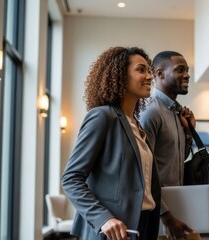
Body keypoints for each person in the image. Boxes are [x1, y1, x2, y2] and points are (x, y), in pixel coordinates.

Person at [62, 47, 161, 240]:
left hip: (144, 224)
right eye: (141, 70)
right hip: (112, 230)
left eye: (149, 71)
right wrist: (103, 219)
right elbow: (71, 179)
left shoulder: (138, 127)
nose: (150, 76)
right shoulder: (102, 116)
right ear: (120, 75)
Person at [140, 51, 197, 239]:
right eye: (180, 70)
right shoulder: (151, 112)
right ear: (160, 74)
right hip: (159, 216)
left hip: (177, 208)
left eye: (187, 70)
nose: (187, 74)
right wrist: (165, 216)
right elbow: (143, 170)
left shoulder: (176, 112)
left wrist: (188, 134)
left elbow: (178, 158)